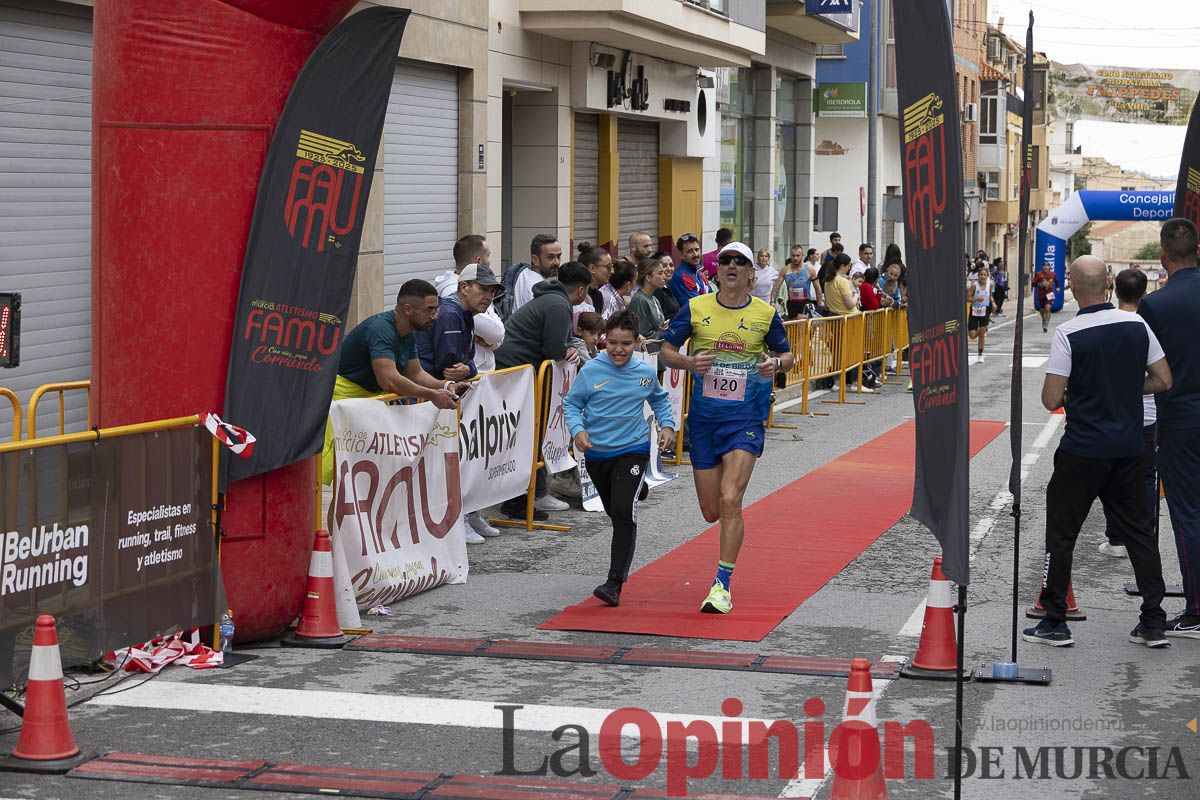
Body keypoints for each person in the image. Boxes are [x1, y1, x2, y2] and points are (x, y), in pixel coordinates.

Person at [1024, 255, 1172, 648]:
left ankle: (1055, 620)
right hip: (1130, 445)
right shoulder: (1137, 324)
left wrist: (1089, 392)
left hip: (1084, 448)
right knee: (1140, 532)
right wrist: (1122, 389)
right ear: (1108, 284)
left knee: (1062, 532)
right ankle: (1153, 621)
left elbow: (1051, 397)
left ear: (1072, 288)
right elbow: (1163, 379)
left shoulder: (1068, 333)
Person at [660, 241, 794, 614]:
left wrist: (776, 366)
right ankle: (722, 572)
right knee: (711, 511)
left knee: (731, 500)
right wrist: (688, 362)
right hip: (704, 421)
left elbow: (787, 355)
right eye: (725, 261)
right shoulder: (696, 307)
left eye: (740, 262)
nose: (732, 265)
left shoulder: (765, 314)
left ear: (752, 273)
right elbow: (665, 349)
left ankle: (722, 584)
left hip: (745, 419)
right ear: (716, 271)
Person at [565, 311, 676, 607]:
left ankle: (614, 583)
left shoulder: (644, 372)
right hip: (598, 454)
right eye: (612, 342)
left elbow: (660, 400)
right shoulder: (591, 371)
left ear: (636, 342)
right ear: (604, 341)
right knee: (614, 510)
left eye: (625, 344)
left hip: (632, 449)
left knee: (624, 512)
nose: (618, 349)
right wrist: (577, 431)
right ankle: (636, 487)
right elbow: (572, 404)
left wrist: (667, 426)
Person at [321, 280, 464, 485]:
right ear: (407, 309)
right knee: (343, 476)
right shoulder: (381, 329)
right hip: (344, 398)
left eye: (436, 309)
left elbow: (415, 373)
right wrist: (432, 395)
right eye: (430, 310)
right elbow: (389, 380)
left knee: (361, 476)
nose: (435, 316)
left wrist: (444, 386)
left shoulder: (407, 333)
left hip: (369, 401)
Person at [1138, 218, 1200, 639]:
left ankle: (1195, 609)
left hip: (1179, 421)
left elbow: (1142, 367)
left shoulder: (1155, 306)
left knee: (1188, 514)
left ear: (1162, 255)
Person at [495, 261, 591, 519]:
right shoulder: (559, 305)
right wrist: (566, 351)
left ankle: (534, 494)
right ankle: (518, 501)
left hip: (519, 371)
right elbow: (553, 348)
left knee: (532, 434)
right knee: (529, 434)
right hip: (519, 374)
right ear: (581, 290)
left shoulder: (551, 301)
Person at [417, 264, 505, 544]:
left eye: (492, 291)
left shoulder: (465, 313)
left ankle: (468, 510)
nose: (488, 297)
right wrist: (469, 368)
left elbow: (465, 363)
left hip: (442, 393)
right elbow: (450, 364)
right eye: (483, 289)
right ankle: (456, 516)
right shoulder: (453, 313)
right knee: (450, 457)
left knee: (466, 455)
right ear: (463, 287)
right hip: (432, 394)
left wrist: (469, 368)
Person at [1097, 268, 1161, 559]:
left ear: (1116, 291)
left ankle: (1117, 538)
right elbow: (1160, 374)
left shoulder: (1104, 323)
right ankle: (1144, 537)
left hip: (1113, 412)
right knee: (1146, 477)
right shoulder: (1151, 324)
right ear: (1144, 293)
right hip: (1148, 413)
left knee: (1112, 478)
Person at [433, 234, 505, 372]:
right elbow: (496, 332)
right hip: (466, 384)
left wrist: (492, 342)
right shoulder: (452, 296)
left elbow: (498, 333)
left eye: (492, 292)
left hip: (476, 375)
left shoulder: (472, 298)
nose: (488, 296)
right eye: (488, 255)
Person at [508, 233, 563, 316]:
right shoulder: (540, 289)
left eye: (558, 256)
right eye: (550, 257)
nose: (557, 262)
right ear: (535, 259)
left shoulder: (520, 272)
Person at [628, 257, 670, 341]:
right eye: (660, 273)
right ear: (648, 278)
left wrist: (663, 329)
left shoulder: (654, 299)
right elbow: (642, 332)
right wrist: (664, 333)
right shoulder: (639, 300)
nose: (664, 277)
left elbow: (658, 327)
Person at [668, 232, 711, 306]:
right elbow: (696, 306)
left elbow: (712, 296)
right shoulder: (682, 277)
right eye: (690, 251)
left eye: (697, 250)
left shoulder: (699, 273)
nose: (695, 254)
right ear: (681, 255)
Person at [782, 246, 822, 319]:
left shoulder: (809, 269)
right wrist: (772, 301)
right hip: (792, 304)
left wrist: (819, 307)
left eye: (798, 255)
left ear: (802, 255)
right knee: (794, 327)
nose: (795, 258)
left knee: (805, 326)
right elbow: (776, 287)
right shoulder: (785, 270)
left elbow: (818, 289)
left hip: (806, 302)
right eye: (793, 255)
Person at [966, 266, 995, 364]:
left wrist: (993, 303)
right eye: (981, 275)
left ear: (987, 276)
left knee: (982, 333)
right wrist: (976, 299)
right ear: (978, 276)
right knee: (972, 335)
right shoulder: (974, 285)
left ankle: (980, 354)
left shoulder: (989, 285)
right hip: (974, 310)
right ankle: (981, 330)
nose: (982, 277)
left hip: (985, 310)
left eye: (984, 275)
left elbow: (990, 296)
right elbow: (967, 298)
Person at [577, 243, 613, 315]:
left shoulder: (598, 295)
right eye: (608, 267)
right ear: (592, 268)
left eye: (612, 266)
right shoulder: (578, 295)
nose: (612, 271)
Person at [651, 250, 681, 321]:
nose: (669, 269)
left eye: (671, 265)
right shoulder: (656, 291)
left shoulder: (667, 287)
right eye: (664, 266)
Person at [1033, 261, 1057, 333]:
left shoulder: (1053, 274)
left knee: (1048, 308)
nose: (1046, 267)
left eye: (1047, 266)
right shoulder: (1039, 274)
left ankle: (1046, 324)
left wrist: (1058, 287)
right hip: (1041, 294)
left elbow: (1057, 281)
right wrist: (1039, 285)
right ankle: (1043, 319)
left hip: (1050, 293)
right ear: (1042, 267)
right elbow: (1033, 283)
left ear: (1049, 267)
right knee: (1042, 309)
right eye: (1044, 266)